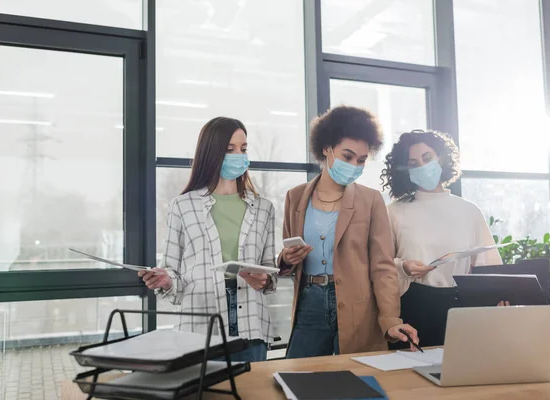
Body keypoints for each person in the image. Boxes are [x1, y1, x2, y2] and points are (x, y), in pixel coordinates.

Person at [279, 105, 418, 358]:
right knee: (300, 380)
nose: (355, 165)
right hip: (308, 305)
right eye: (347, 156)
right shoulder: (295, 197)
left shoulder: (371, 200)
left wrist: (390, 318)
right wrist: (286, 260)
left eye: (361, 160)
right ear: (326, 149)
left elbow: (383, 267)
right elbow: (288, 256)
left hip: (359, 308)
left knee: (358, 383)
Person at [138, 117, 278, 362]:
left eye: (243, 149)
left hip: (251, 327)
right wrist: (165, 279)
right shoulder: (182, 206)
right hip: (198, 330)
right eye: (230, 149)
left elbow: (270, 272)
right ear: (212, 153)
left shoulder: (264, 208)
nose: (239, 155)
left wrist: (265, 279)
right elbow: (173, 271)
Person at [381, 129, 504, 348]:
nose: (422, 166)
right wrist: (404, 267)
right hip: (413, 306)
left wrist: (497, 300)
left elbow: (490, 268)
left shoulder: (470, 211)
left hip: (462, 308)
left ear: (441, 158)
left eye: (427, 158)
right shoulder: (394, 212)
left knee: (463, 375)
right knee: (408, 377)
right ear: (405, 171)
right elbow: (380, 266)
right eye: (413, 163)